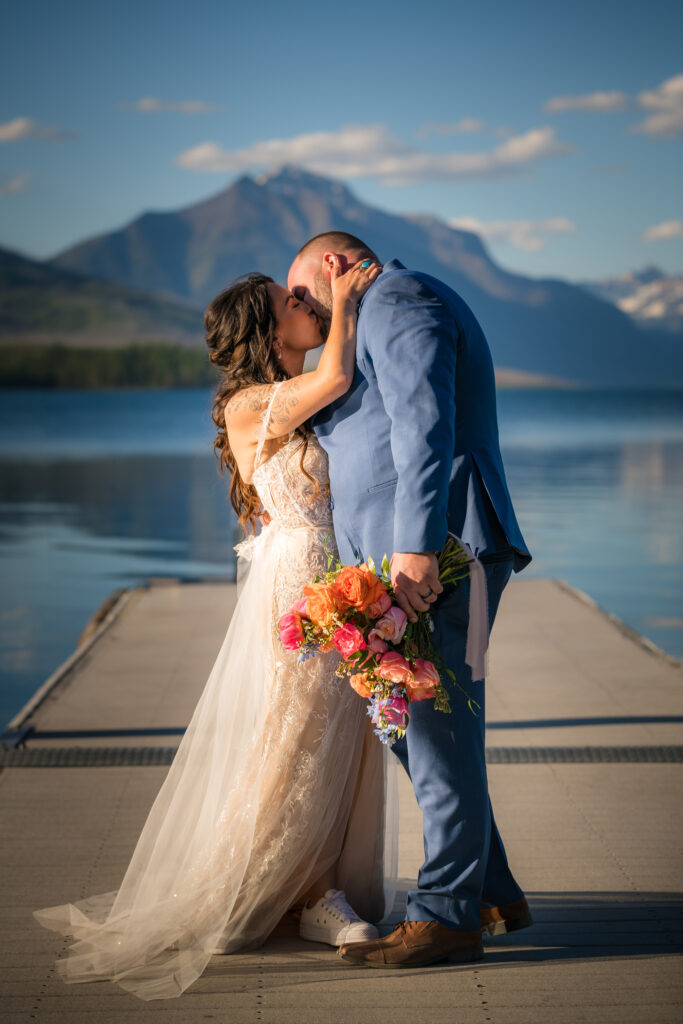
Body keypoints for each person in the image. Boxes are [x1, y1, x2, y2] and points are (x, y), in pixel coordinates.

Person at [33, 258, 390, 1001]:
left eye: (304, 296)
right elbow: (331, 380)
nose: (304, 303)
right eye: (288, 301)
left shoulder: (295, 396)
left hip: (341, 572)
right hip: (297, 577)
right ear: (266, 331)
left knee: (343, 730)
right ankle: (263, 883)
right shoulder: (250, 403)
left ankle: (320, 888)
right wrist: (350, 300)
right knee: (294, 729)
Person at [288, 232, 534, 968]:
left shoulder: (399, 297)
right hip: (398, 560)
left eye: (302, 296)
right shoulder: (373, 311)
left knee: (435, 731)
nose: (304, 312)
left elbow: (424, 419)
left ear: (334, 266)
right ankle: (489, 891)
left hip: (437, 551)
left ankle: (444, 916)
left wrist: (418, 545)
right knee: (416, 731)